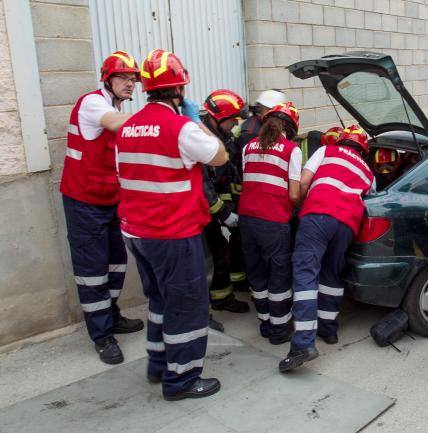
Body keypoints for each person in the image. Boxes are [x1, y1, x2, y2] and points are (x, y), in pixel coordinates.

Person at [116, 49, 227, 400]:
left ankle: (158, 365)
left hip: (136, 232)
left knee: (160, 301)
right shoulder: (181, 128)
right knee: (187, 306)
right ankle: (182, 380)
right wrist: (195, 122)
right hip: (173, 234)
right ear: (178, 90)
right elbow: (220, 156)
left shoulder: (128, 126)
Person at [60, 50, 144, 365]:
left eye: (134, 78)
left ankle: (111, 314)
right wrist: (160, 121)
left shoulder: (117, 106)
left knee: (116, 262)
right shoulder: (94, 103)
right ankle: (101, 335)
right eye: (123, 77)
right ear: (107, 79)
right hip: (83, 202)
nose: (130, 83)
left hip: (111, 200)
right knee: (92, 271)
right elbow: (114, 123)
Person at [279, 125, 375, 372]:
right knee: (331, 275)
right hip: (347, 226)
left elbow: (304, 182)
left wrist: (299, 207)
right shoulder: (368, 171)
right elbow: (371, 200)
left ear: (342, 140)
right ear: (363, 149)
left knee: (305, 275)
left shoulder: (326, 150)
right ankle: (329, 330)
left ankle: (303, 343)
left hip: (318, 215)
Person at [238, 102, 303, 344]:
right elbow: (294, 194)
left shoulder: (248, 147)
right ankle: (279, 330)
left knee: (257, 273)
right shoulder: (291, 150)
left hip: (247, 219)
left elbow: (250, 181)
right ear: (291, 127)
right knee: (278, 275)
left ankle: (265, 322)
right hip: (273, 222)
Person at [200, 89, 250, 315]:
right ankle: (210, 305)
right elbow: (203, 187)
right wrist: (224, 214)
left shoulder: (224, 138)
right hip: (195, 210)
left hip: (210, 205)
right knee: (210, 256)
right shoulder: (200, 139)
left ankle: (221, 297)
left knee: (220, 251)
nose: (235, 124)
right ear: (218, 118)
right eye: (233, 119)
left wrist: (231, 205)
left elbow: (226, 177)